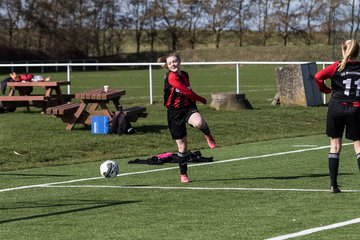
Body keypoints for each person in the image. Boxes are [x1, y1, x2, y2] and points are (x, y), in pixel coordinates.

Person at [158, 53, 216, 183]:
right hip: (174, 113)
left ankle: (208, 135)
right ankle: (183, 174)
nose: (173, 64)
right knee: (182, 147)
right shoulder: (171, 77)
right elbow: (187, 92)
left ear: (179, 61)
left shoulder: (185, 74)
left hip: (188, 108)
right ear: (167, 66)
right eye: (170, 63)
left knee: (199, 123)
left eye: (175, 61)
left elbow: (188, 94)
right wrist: (201, 99)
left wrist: (196, 102)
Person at [314, 39, 360, 193]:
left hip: (336, 107)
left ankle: (333, 185)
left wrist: (325, 90)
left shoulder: (336, 66)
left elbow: (318, 76)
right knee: (359, 147)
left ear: (343, 50)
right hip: (356, 108)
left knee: (335, 145)